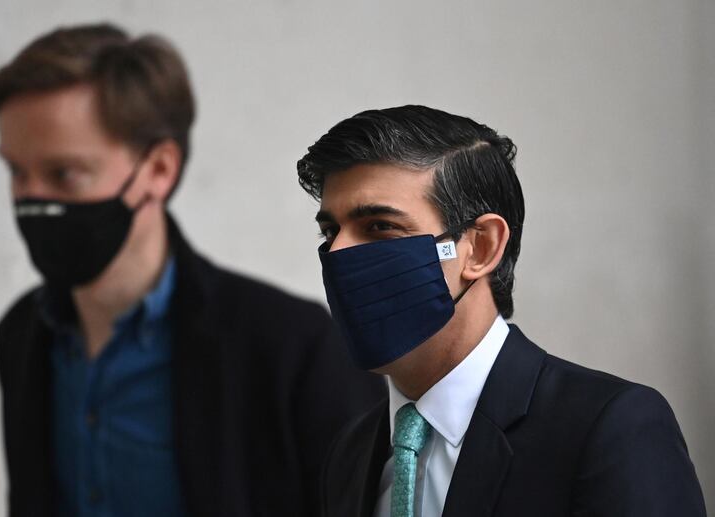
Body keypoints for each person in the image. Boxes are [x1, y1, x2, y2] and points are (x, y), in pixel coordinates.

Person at [0, 23, 383, 517]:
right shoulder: (20, 337)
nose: (32, 198)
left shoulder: (294, 348)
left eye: (64, 173)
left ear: (158, 171)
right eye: (17, 172)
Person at [296, 105, 706, 517]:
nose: (337, 253)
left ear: (482, 247)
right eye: (331, 231)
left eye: (380, 226)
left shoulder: (610, 429)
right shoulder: (349, 453)